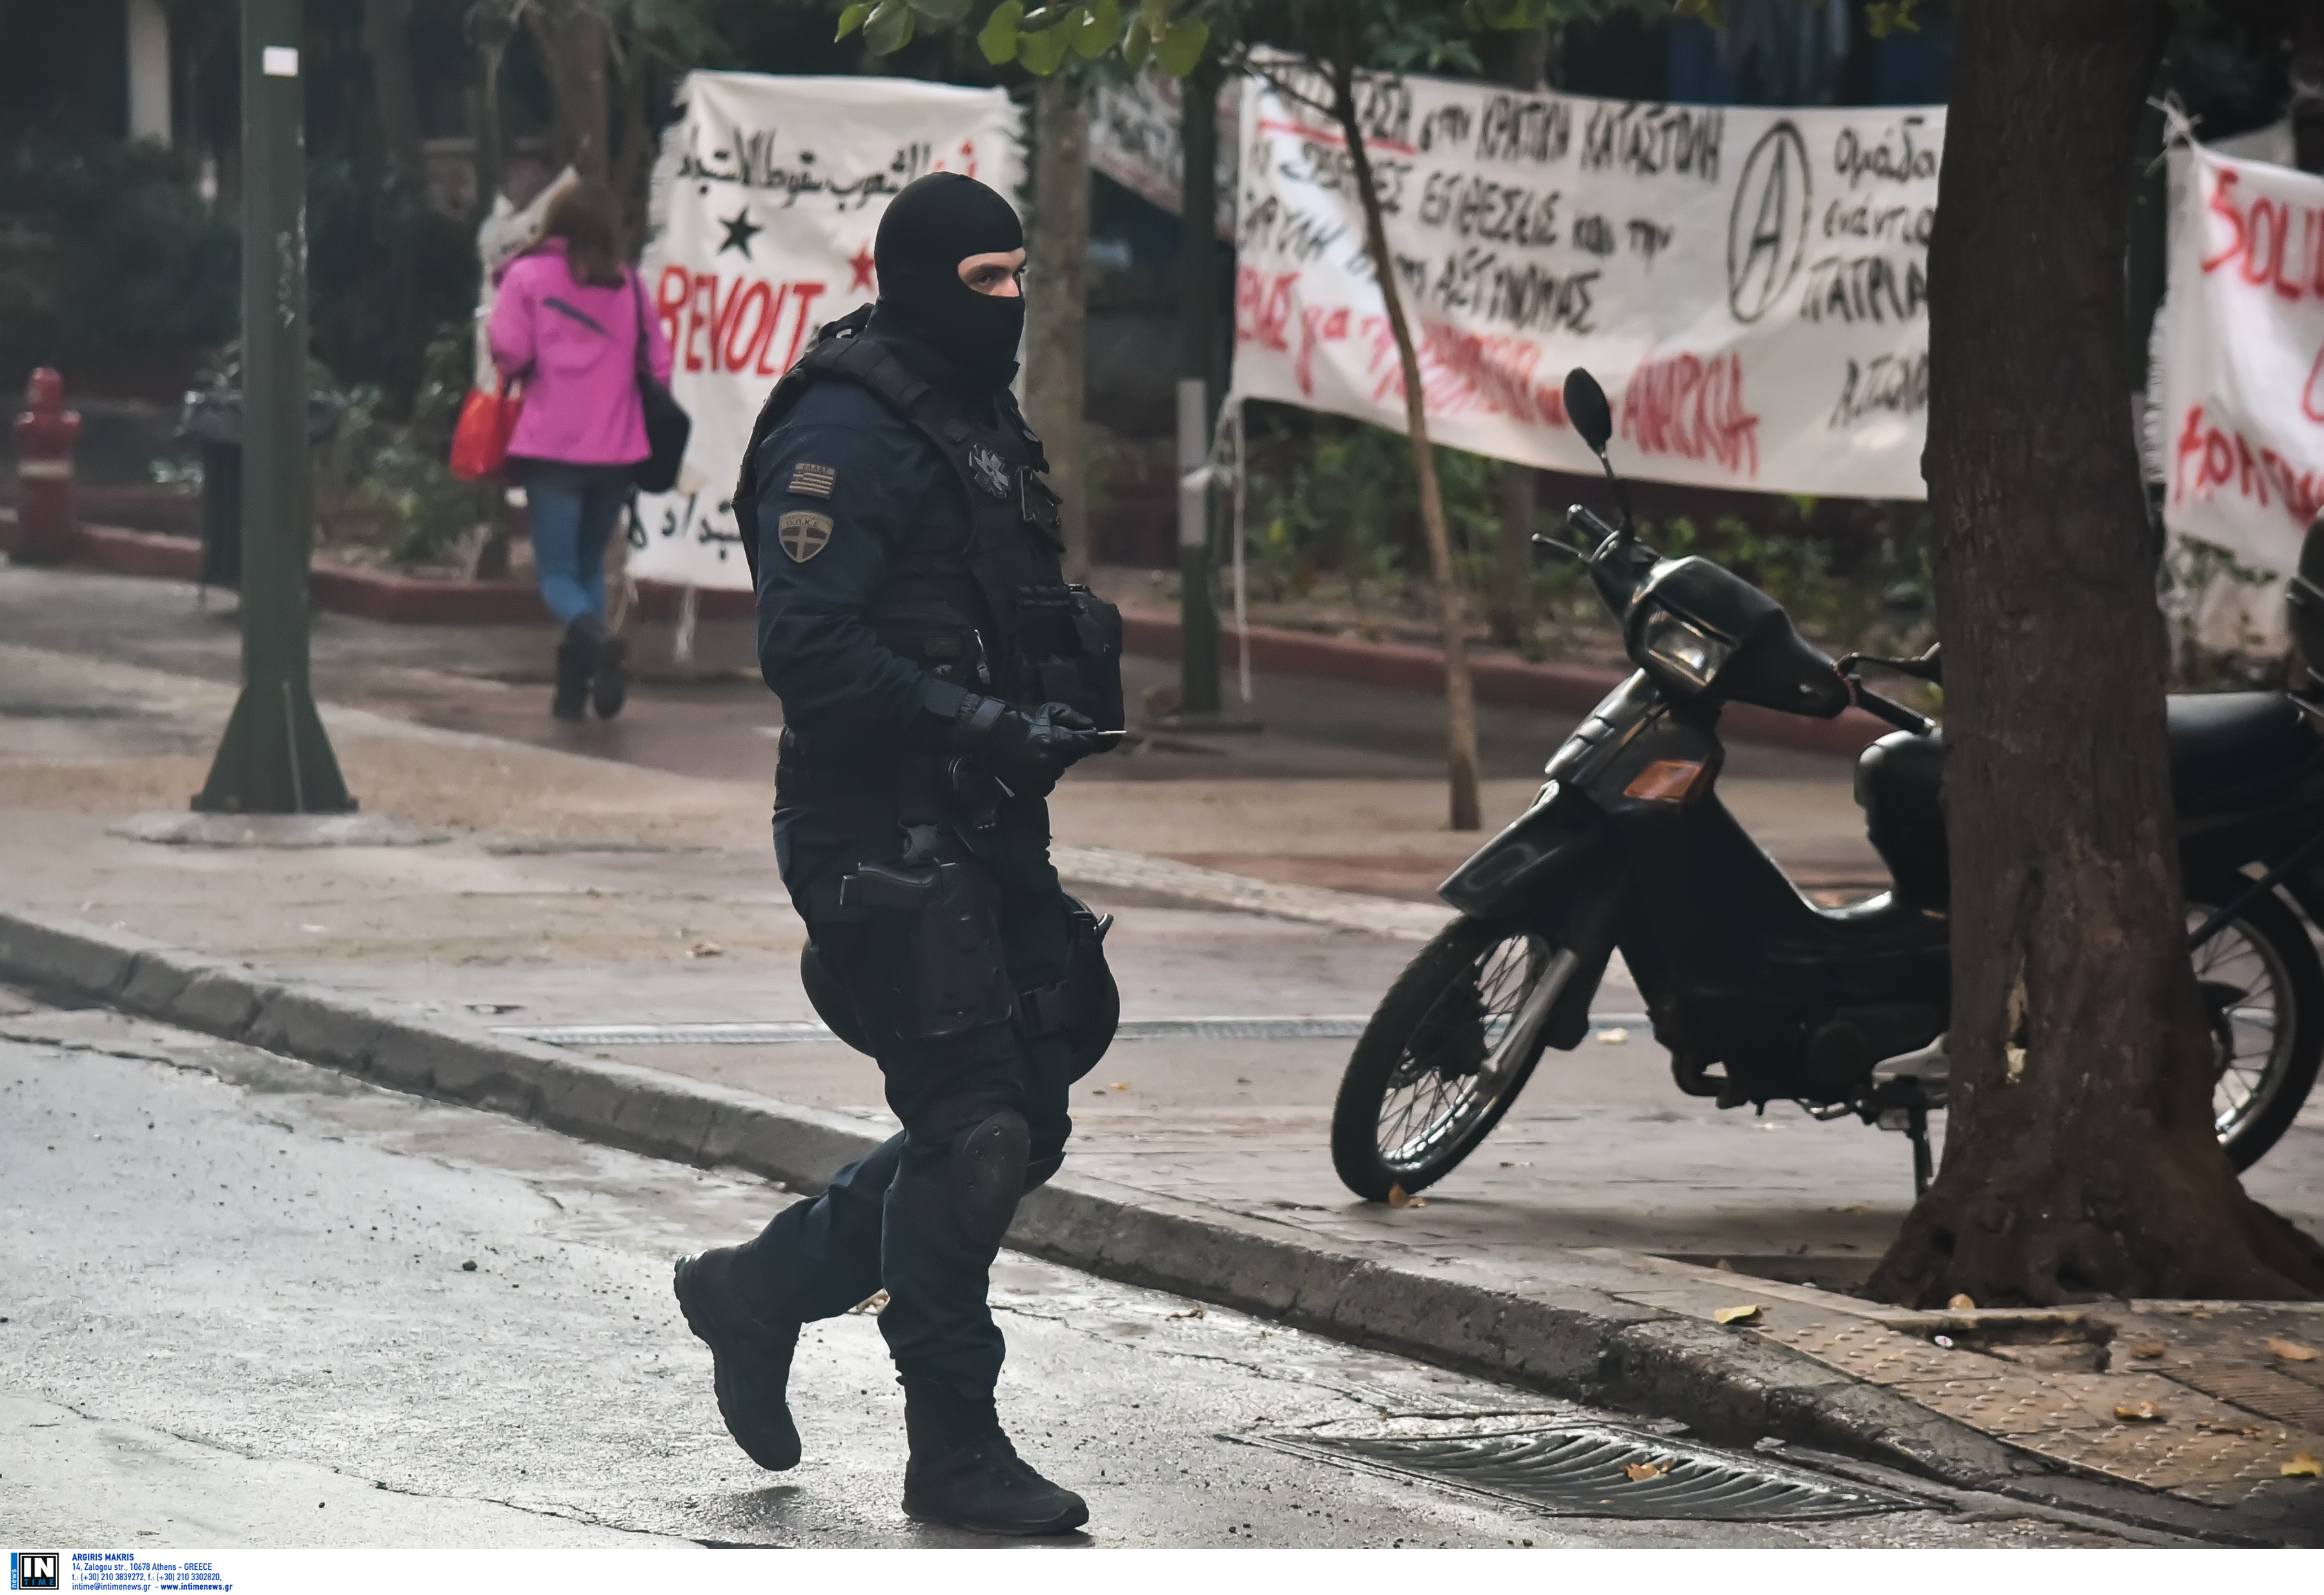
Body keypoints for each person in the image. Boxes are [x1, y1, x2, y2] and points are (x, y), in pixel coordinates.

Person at [671, 172, 1125, 1537]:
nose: (1010, 304)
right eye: (984, 283)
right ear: (920, 277)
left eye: (1018, 278)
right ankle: (955, 1447)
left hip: (983, 817)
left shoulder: (977, 420)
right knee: (974, 1123)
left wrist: (1039, 702)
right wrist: (973, 715)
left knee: (1027, 1104)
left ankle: (756, 1288)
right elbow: (806, 647)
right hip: (873, 826)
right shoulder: (843, 430)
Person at [487, 178, 673, 721]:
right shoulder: (633, 287)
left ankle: (594, 641)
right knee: (590, 565)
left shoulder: (526, 277)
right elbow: (657, 368)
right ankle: (578, 689)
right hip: (618, 451)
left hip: (553, 447)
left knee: (557, 575)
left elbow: (510, 350)